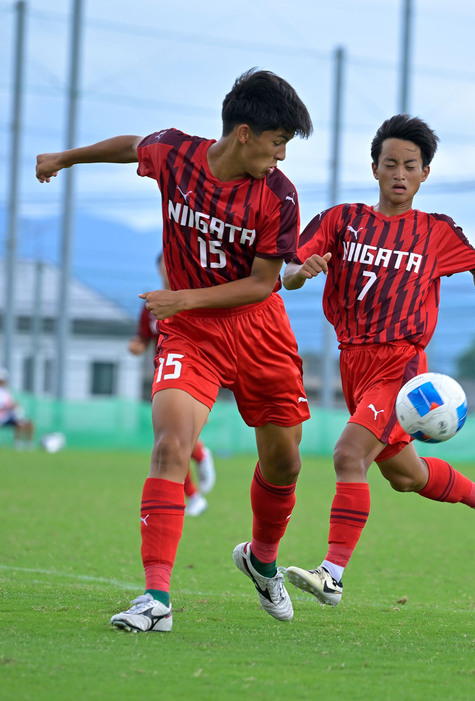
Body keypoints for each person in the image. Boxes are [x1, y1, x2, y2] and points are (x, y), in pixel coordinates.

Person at [36, 68, 314, 632]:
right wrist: (66, 157)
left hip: (260, 333)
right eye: (278, 141)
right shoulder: (175, 154)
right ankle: (155, 597)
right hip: (193, 336)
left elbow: (264, 283)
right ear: (243, 133)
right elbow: (131, 146)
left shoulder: (278, 196)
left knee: (283, 464)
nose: (282, 156)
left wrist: (183, 297)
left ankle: (262, 560)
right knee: (170, 445)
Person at [281, 114, 475, 607]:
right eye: (391, 164)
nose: (400, 173)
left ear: (425, 173)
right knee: (405, 475)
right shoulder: (341, 220)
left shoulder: (435, 232)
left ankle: (332, 574)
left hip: (402, 365)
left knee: (348, 455)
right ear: (374, 167)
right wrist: (303, 271)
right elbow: (288, 272)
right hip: (353, 362)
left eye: (411, 165)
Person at [129, 253, 216, 517]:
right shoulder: (153, 302)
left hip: (194, 373)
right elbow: (143, 337)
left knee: (174, 439)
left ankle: (195, 489)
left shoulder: (193, 298)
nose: (166, 269)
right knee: (171, 441)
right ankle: (198, 469)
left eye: (171, 263)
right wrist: (137, 345)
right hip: (163, 375)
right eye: (162, 265)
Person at [0, 367, 35, 450]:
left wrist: (15, 407)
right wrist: (9, 407)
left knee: (27, 423)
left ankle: (23, 444)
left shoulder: (5, 391)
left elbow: (10, 403)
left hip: (7, 416)